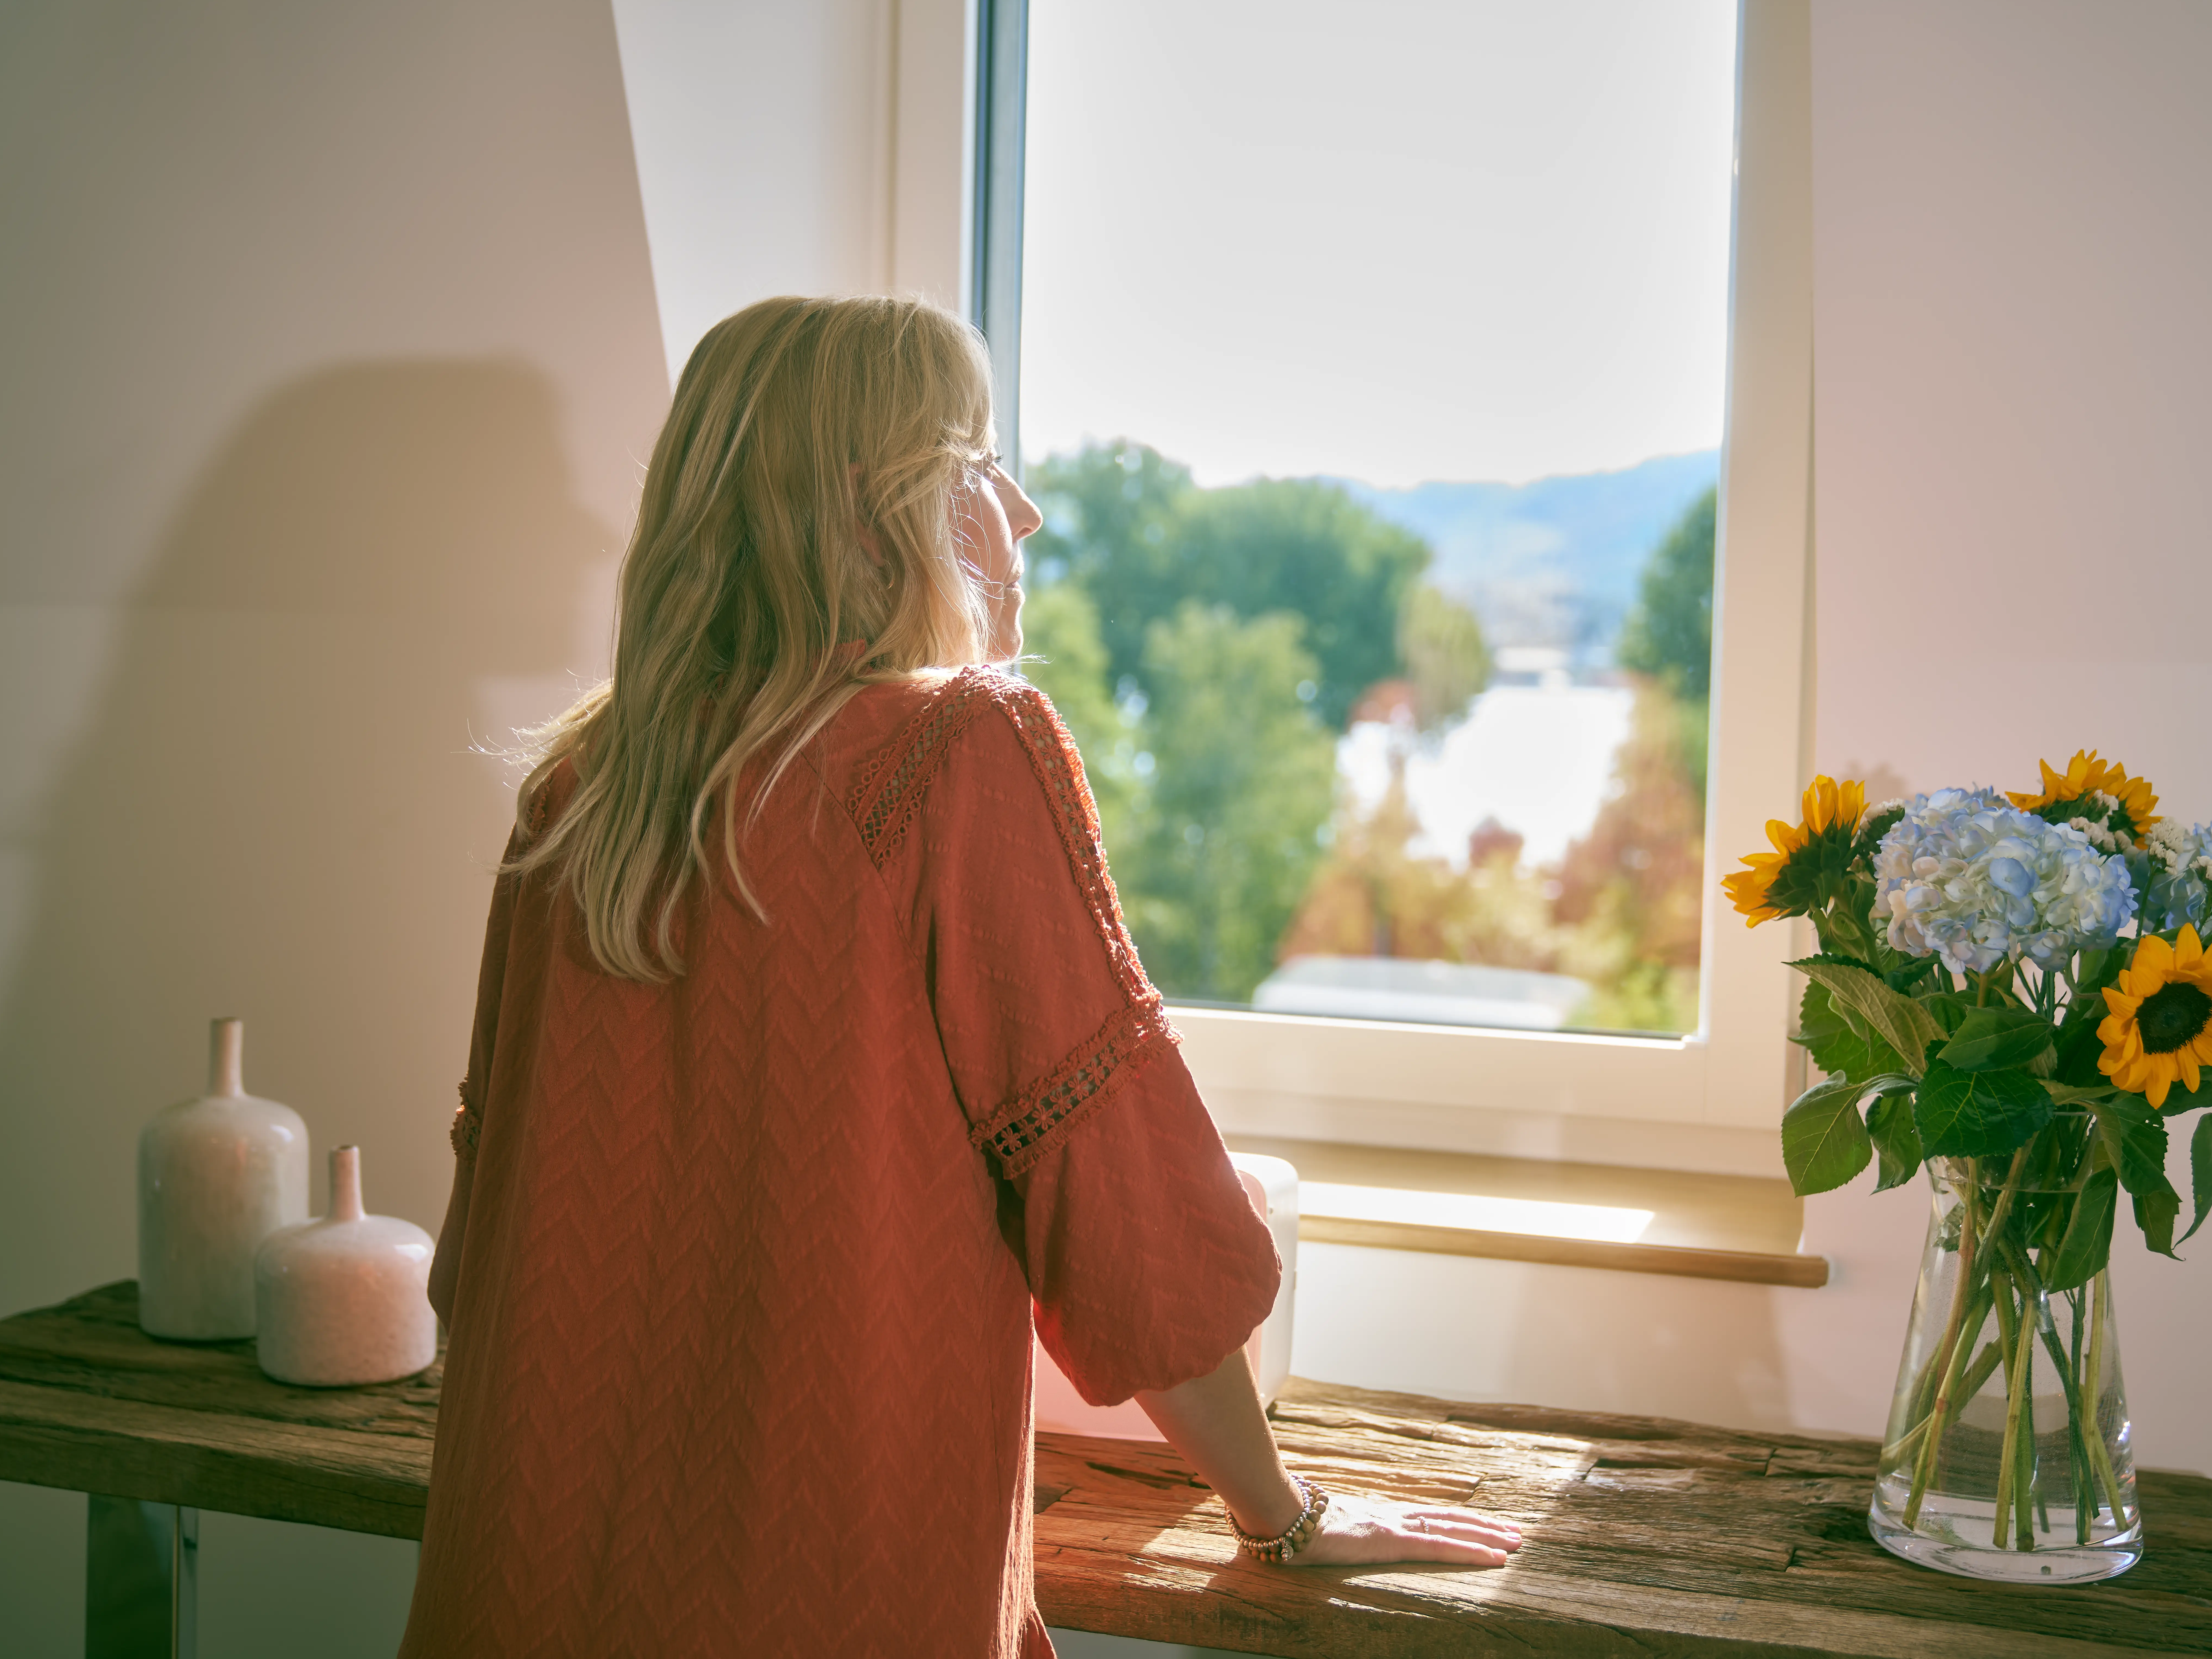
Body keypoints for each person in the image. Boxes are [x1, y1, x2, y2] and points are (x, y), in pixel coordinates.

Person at [395, 296, 1519, 1658]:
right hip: (821, 1592)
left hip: (516, 1575)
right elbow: (1118, 1205)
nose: (1025, 512)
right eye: (981, 462)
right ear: (881, 512)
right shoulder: (955, 754)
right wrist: (1281, 1513)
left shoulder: (578, 788)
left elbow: (472, 1260)